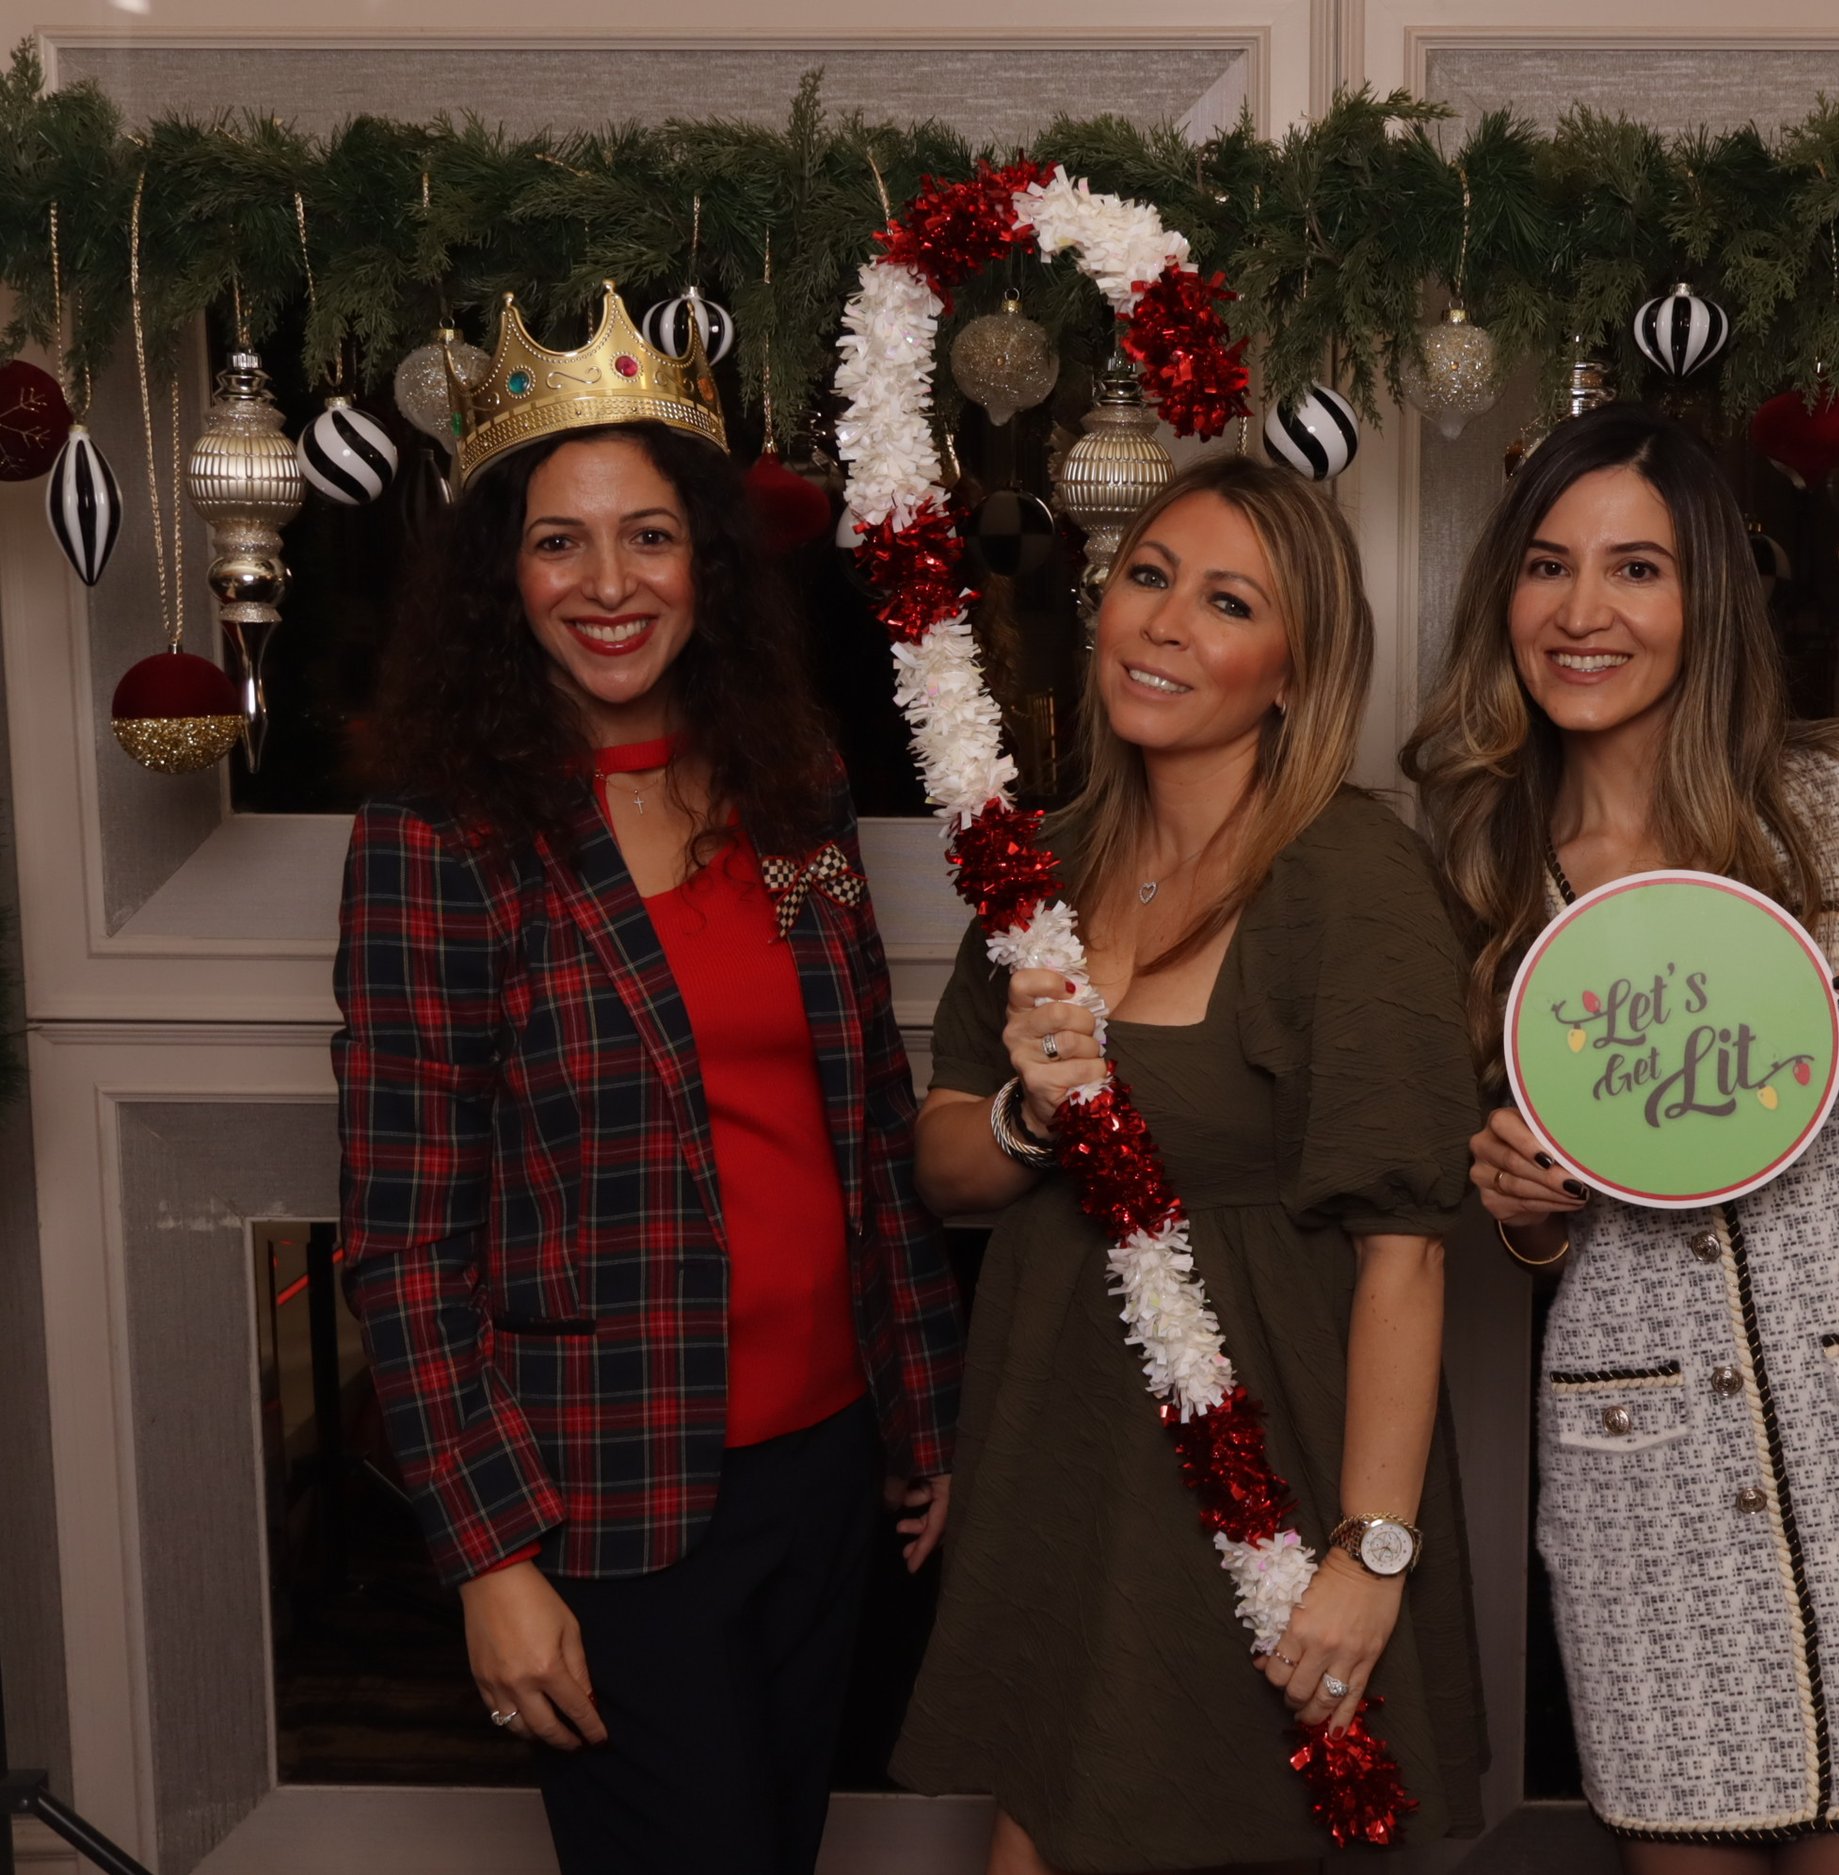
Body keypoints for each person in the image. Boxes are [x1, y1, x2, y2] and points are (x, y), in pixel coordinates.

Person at [1404, 404, 1839, 1872]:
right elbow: (1532, 1225)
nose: (1584, 612)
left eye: (1636, 569)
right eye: (1547, 567)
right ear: (1503, 600)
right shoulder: (1479, 863)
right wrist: (1521, 1201)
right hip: (1645, 1461)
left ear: (1706, 598)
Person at [333, 286, 961, 1875]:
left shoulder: (792, 783)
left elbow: (867, 1111)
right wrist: (488, 1558)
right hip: (606, 1498)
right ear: (502, 576)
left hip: (829, 1472)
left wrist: (923, 1418)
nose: (609, 586)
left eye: (650, 539)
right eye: (559, 543)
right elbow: (404, 1245)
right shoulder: (438, 840)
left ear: (709, 563)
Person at [892, 454, 1487, 1872]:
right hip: (1062, 1457)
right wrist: (1032, 1121)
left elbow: (1405, 1250)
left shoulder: (1350, 881)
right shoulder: (1036, 870)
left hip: (1262, 1481)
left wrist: (1371, 1552)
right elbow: (944, 1167)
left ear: (1293, 672)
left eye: (1225, 602)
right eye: (1148, 578)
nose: (1163, 622)